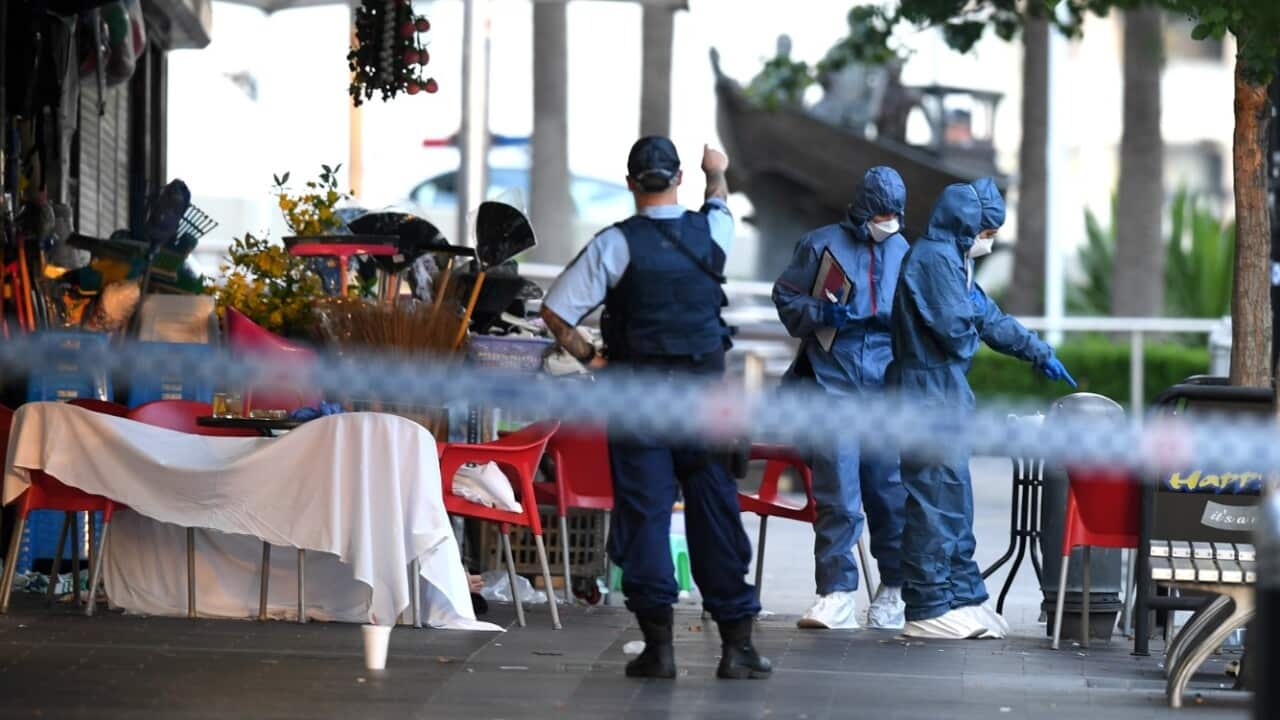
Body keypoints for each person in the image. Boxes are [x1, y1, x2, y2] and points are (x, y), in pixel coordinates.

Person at [540, 136, 771, 680]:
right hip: (705, 401)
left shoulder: (613, 245)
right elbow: (720, 198)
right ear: (678, 180)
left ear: (629, 183)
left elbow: (555, 311)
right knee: (715, 511)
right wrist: (717, 169)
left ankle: (659, 650)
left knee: (644, 516)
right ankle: (737, 648)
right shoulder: (712, 230)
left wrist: (596, 361)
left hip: (639, 397)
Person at [888, 180, 1075, 640]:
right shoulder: (933, 260)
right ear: (967, 225)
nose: (988, 240)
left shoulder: (953, 260)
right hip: (926, 391)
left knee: (953, 498)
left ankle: (961, 595)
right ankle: (928, 605)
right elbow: (956, 331)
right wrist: (973, 318)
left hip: (944, 391)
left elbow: (986, 316)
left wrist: (1036, 350)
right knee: (933, 498)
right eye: (987, 231)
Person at [771, 166, 910, 630]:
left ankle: (893, 589)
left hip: (886, 393)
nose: (889, 221)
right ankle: (836, 592)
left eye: (896, 213)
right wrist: (823, 312)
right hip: (832, 387)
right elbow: (786, 298)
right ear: (866, 208)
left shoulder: (905, 252)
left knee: (890, 493)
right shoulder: (819, 245)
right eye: (883, 212)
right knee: (838, 496)